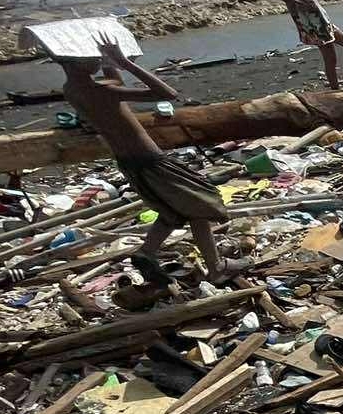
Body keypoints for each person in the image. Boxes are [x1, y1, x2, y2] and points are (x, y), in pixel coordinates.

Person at [58, 35, 232, 278]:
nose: (96, 60)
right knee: (199, 205)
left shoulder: (73, 89)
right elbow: (166, 93)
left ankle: (147, 252)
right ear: (73, 62)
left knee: (173, 210)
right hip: (150, 159)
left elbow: (112, 83)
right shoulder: (102, 90)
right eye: (90, 57)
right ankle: (216, 268)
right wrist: (126, 63)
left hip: (129, 162)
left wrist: (111, 62)